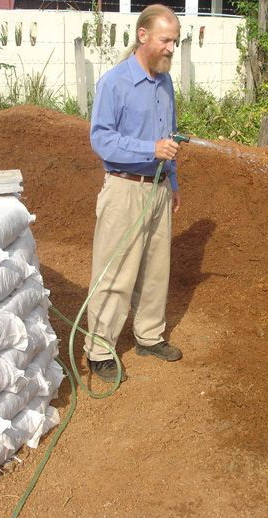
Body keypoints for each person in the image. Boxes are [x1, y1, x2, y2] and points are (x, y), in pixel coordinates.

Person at [84, 4, 183, 383]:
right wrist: (150, 150)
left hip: (158, 188)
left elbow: (169, 135)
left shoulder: (165, 82)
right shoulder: (115, 82)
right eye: (165, 40)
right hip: (125, 187)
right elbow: (101, 139)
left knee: (157, 270)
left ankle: (148, 336)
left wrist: (171, 181)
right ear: (143, 36)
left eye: (174, 41)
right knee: (116, 271)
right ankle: (99, 351)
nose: (171, 48)